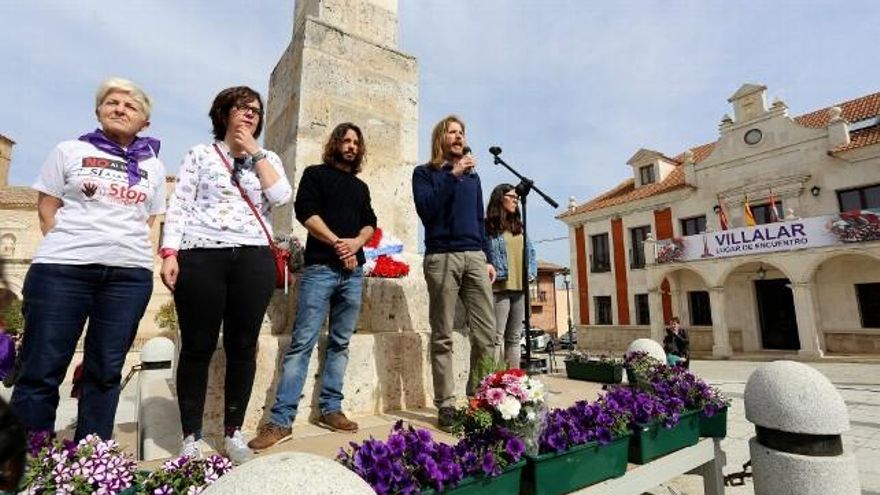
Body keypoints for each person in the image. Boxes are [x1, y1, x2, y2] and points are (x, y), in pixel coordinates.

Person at [10, 78, 165, 442]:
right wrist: (78, 245)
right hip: (63, 270)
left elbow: (149, 220)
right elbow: (47, 210)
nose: (120, 108)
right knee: (42, 368)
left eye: (131, 105)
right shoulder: (69, 151)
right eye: (112, 102)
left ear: (145, 121)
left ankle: (89, 458)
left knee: (106, 370)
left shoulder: (153, 167)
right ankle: (29, 461)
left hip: (128, 276)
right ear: (98, 111)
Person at [159, 86, 292, 463]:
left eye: (255, 110)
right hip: (202, 254)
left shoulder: (268, 158)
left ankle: (234, 431)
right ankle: (191, 436)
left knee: (242, 345)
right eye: (241, 108)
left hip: (252, 256)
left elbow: (281, 196)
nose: (249, 114)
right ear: (223, 113)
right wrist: (170, 251)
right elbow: (180, 204)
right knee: (198, 345)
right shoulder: (201, 154)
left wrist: (254, 151)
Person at [248, 123, 376, 451]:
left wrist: (357, 242)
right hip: (320, 269)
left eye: (355, 142)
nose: (350, 146)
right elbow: (306, 212)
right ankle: (281, 420)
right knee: (302, 343)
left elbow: (369, 221)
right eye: (345, 140)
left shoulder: (360, 187)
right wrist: (338, 244)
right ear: (335, 144)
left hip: (353, 274)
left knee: (341, 343)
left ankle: (331, 409)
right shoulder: (315, 174)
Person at [412, 115, 496, 432]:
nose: (459, 136)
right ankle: (446, 404)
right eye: (453, 132)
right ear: (441, 138)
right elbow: (427, 210)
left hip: (474, 255)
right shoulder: (425, 173)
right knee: (443, 334)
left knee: (487, 334)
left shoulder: (473, 178)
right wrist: (452, 175)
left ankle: (480, 397)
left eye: (462, 132)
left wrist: (487, 257)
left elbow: (480, 218)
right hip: (441, 255)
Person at [486, 184, 537, 369]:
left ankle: (513, 382)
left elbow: (530, 251)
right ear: (500, 198)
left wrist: (531, 273)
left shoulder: (519, 227)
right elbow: (483, 255)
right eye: (512, 196)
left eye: (517, 197)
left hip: (520, 289)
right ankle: (492, 383)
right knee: (496, 338)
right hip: (499, 288)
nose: (516, 200)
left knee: (514, 338)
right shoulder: (488, 228)